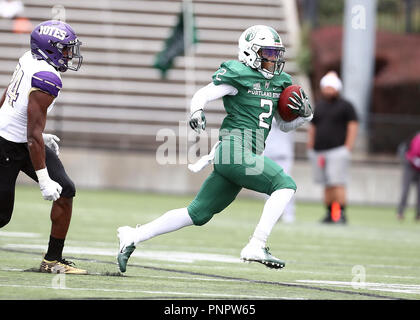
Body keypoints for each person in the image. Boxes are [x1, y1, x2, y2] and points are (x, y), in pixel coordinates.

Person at [117, 25, 313, 272]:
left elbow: (284, 126)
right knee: (285, 185)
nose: (274, 59)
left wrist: (305, 115)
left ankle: (132, 236)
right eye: (268, 53)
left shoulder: (279, 82)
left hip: (244, 154)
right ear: (250, 53)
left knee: (197, 213)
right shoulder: (238, 74)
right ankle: (257, 244)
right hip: (234, 150)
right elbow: (204, 94)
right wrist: (196, 111)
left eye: (276, 54)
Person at [0, 20, 86, 274]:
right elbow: (32, 138)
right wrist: (44, 179)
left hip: (22, 138)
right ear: (50, 49)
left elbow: (9, 96)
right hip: (7, 145)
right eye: (65, 49)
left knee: (66, 190)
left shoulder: (30, 58)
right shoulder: (47, 77)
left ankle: (52, 260)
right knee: (1, 216)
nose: (70, 54)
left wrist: (36, 132)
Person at [307, 71, 358, 224]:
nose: (328, 90)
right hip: (319, 151)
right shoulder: (320, 105)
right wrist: (310, 144)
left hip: (337, 150)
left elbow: (353, 125)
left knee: (337, 182)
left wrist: (348, 146)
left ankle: (340, 213)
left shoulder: (346, 106)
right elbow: (313, 126)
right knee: (326, 184)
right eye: (326, 87)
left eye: (331, 87)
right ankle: (330, 213)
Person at [264, 119, 296, 223]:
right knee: (267, 185)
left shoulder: (287, 112)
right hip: (266, 151)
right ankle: (273, 213)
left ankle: (288, 213)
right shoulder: (264, 108)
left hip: (283, 153)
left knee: (286, 184)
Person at [396, 132, 420, 221]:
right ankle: (400, 212)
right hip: (410, 166)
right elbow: (413, 153)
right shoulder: (418, 139)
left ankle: (418, 213)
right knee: (406, 190)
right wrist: (415, 161)